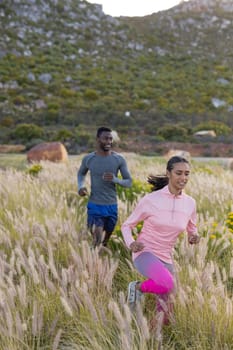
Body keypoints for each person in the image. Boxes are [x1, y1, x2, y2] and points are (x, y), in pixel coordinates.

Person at [121, 156, 200, 326]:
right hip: (145, 252)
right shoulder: (151, 200)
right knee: (167, 284)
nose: (183, 178)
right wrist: (131, 243)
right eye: (178, 173)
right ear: (168, 173)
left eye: (187, 174)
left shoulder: (190, 203)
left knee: (166, 314)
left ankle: (149, 337)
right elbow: (127, 225)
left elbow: (192, 227)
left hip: (166, 256)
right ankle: (137, 288)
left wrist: (193, 236)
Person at [78, 126, 132, 248]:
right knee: (97, 240)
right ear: (98, 139)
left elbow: (129, 182)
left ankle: (101, 261)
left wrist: (115, 179)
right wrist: (80, 186)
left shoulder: (119, 159)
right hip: (95, 205)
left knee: (105, 242)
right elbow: (81, 173)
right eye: (105, 139)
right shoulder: (89, 159)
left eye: (110, 139)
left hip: (112, 206)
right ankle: (92, 263)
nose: (109, 142)